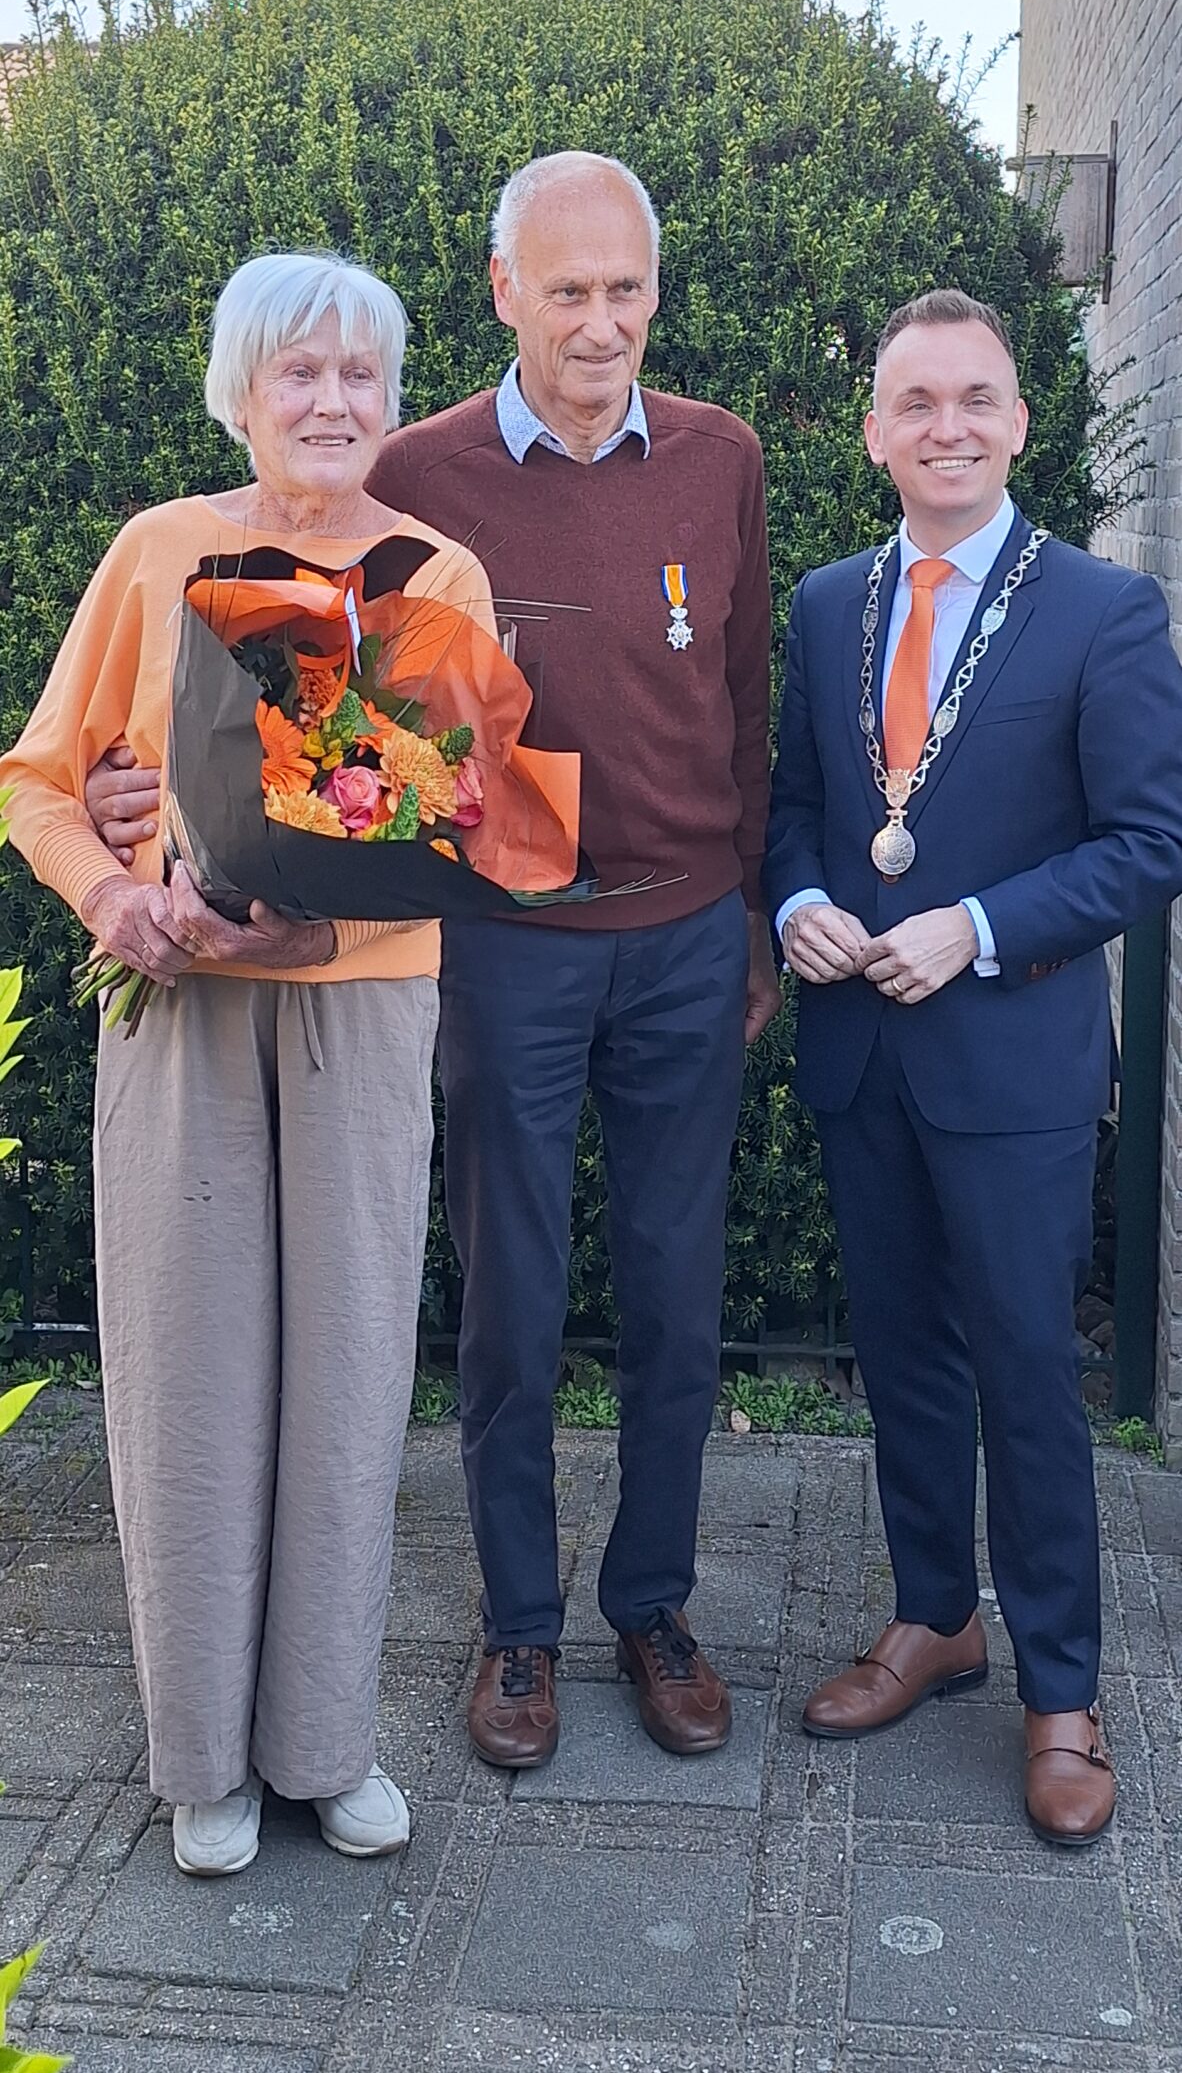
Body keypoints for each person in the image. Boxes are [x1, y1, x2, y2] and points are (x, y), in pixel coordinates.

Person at [92, 152, 781, 1768]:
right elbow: (292, 719)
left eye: (624, 290)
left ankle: (654, 1607)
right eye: (567, 291)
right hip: (502, 949)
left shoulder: (720, 457)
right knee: (510, 1305)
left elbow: (747, 696)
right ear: (502, 293)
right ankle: (520, 1630)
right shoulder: (406, 472)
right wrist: (137, 784)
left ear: (653, 295)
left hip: (685, 935)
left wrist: (750, 903)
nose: (598, 322)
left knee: (678, 1305)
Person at [1, 249, 492, 1875]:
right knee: (189, 1373)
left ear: (394, 394)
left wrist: (310, 937)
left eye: (361, 372)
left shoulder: (440, 570)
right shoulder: (161, 553)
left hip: (359, 1007)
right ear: (242, 390)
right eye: (300, 372)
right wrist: (114, 892)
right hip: (178, 1006)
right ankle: (203, 1753)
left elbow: (444, 833)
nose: (334, 400)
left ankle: (322, 1744)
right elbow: (42, 781)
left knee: (349, 1366)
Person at [765, 285, 1182, 1845]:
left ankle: (1061, 1692)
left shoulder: (1100, 611)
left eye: (975, 400)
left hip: (1006, 1059)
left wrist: (978, 927)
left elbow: (1150, 843)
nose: (945, 427)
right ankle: (935, 1618)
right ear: (873, 429)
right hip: (865, 1051)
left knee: (1025, 1373)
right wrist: (799, 901)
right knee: (907, 1363)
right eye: (914, 402)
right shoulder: (823, 606)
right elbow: (797, 808)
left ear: (1019, 421)